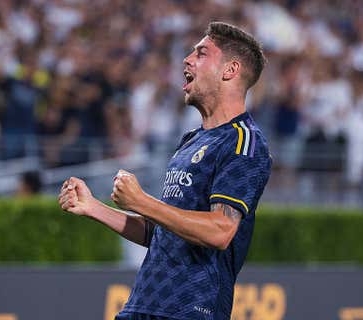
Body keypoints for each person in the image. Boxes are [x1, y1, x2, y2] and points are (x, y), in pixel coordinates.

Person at [58, 22, 272, 320]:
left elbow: (221, 231)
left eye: (201, 53)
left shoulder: (243, 141)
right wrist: (94, 207)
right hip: (143, 306)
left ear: (230, 70)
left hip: (190, 311)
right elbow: (160, 232)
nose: (187, 59)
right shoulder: (190, 140)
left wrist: (141, 201)